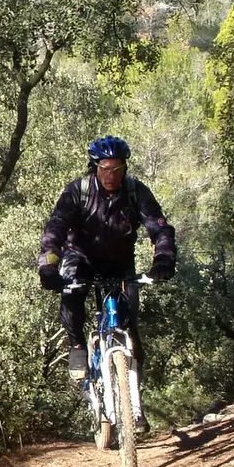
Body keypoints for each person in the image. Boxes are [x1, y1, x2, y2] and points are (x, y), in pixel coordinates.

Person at [37, 136, 176, 425]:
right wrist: (48, 268)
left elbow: (160, 229)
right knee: (72, 298)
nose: (111, 175)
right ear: (94, 167)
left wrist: (163, 260)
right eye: (105, 168)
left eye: (117, 169)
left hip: (119, 262)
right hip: (80, 258)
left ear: (125, 167)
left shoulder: (136, 192)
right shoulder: (79, 191)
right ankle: (77, 346)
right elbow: (55, 230)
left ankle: (134, 405)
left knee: (130, 326)